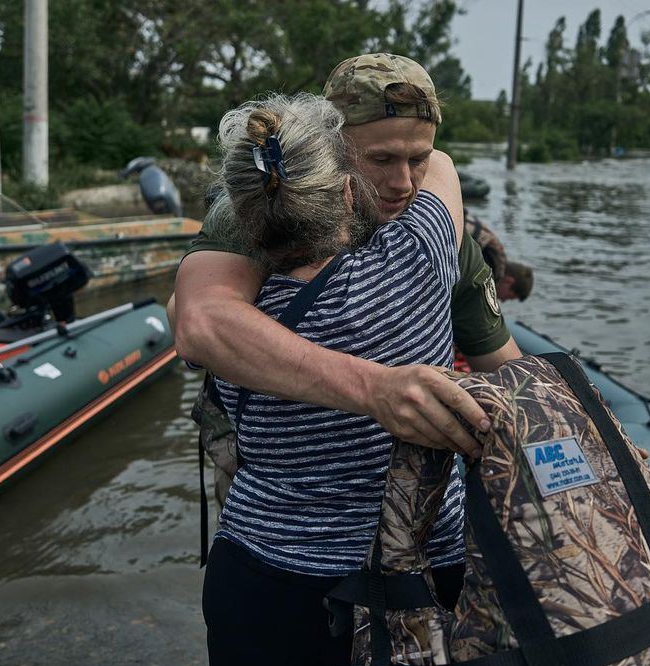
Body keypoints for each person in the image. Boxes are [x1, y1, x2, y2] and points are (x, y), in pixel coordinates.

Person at [200, 92, 467, 666]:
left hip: (261, 584)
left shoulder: (233, 325)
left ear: (241, 216)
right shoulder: (415, 261)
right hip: (412, 582)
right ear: (349, 194)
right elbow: (444, 171)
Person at [171, 54, 521, 460]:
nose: (403, 184)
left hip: (401, 492)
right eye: (381, 159)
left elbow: (503, 366)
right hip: (263, 463)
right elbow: (199, 325)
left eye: (418, 159)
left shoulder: (441, 237)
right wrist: (375, 388)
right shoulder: (262, 206)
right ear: (330, 147)